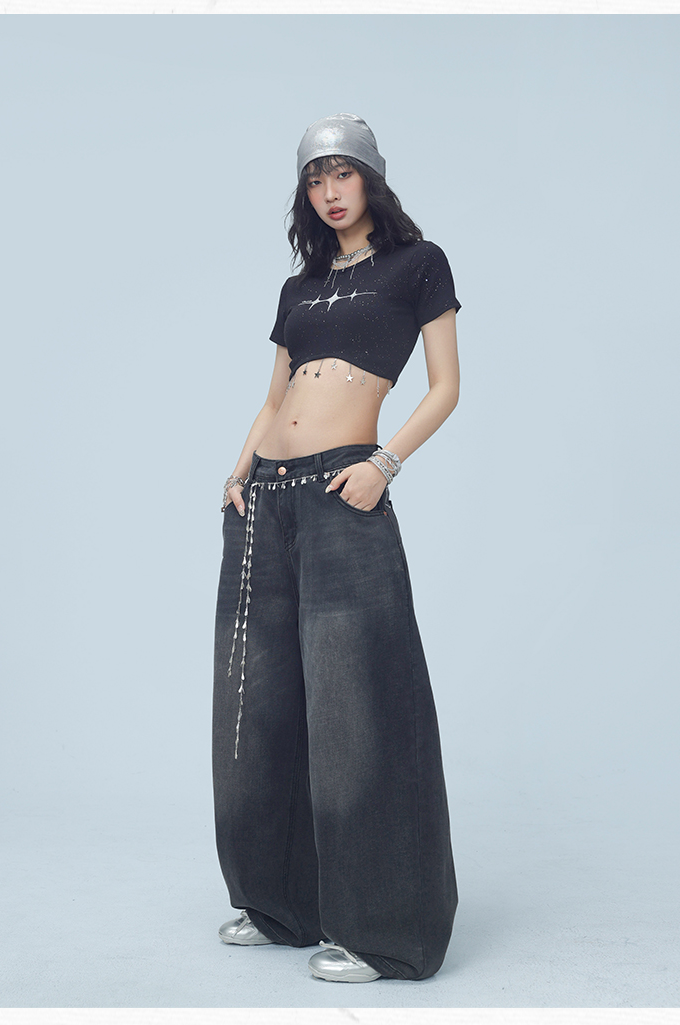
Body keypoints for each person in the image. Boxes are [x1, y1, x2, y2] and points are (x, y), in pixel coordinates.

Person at [212, 113, 461, 983]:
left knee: (358, 709)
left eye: (341, 173)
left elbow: (447, 387)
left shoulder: (418, 264)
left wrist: (383, 465)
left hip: (341, 489)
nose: (328, 191)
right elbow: (272, 397)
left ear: (370, 179)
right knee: (258, 707)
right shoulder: (299, 288)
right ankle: (279, 904)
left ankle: (381, 930)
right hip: (265, 498)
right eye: (314, 179)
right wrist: (237, 472)